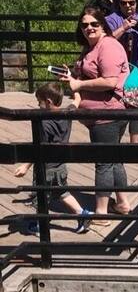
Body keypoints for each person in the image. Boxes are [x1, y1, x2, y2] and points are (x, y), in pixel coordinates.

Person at [65, 8, 134, 223]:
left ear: (103, 25)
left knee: (103, 161)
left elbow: (110, 81)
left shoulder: (109, 46)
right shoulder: (92, 47)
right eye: (84, 25)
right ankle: (122, 203)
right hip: (100, 113)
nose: (89, 28)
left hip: (108, 113)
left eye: (93, 23)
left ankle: (101, 212)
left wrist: (79, 84)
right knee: (114, 159)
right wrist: (73, 75)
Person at [12, 84, 92, 234]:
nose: (38, 105)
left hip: (46, 166)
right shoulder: (67, 113)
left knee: (40, 194)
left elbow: (39, 148)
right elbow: (76, 102)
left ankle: (38, 224)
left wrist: (25, 166)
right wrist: (76, 90)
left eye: (39, 102)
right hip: (60, 165)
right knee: (61, 192)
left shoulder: (44, 123)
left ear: (48, 101)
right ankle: (82, 213)